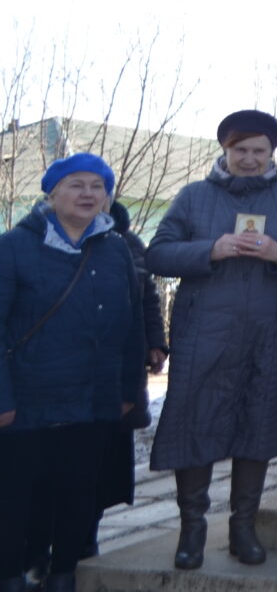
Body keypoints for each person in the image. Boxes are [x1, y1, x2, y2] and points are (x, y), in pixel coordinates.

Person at [145, 109, 277, 571]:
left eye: (258, 151)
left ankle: (243, 528)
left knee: (257, 427)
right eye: (240, 150)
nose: (249, 159)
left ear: (271, 154)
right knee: (195, 426)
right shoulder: (193, 197)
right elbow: (159, 253)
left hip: (270, 336)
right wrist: (211, 249)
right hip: (205, 335)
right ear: (225, 151)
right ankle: (192, 530)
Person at [0, 154, 144, 592]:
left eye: (96, 187)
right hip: (28, 400)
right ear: (52, 193)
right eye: (75, 185)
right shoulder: (13, 247)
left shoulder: (115, 247)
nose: (87, 194)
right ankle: (10, 576)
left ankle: (63, 574)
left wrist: (127, 390)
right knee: (16, 498)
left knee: (80, 492)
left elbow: (132, 324)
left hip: (93, 398)